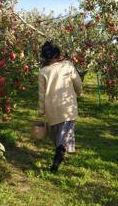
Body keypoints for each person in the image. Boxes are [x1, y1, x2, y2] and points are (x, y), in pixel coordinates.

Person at [38, 41, 83, 172]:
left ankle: (59, 150)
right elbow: (77, 82)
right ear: (57, 54)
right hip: (67, 106)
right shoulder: (67, 66)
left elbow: (41, 94)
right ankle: (61, 151)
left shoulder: (43, 72)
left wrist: (41, 110)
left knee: (57, 133)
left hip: (51, 108)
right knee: (66, 131)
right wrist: (79, 92)